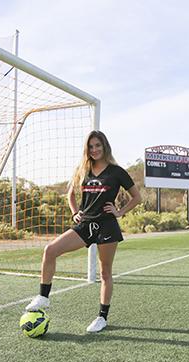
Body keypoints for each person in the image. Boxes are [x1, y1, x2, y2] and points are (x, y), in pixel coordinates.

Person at [25, 130, 142, 333]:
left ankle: (102, 318)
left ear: (105, 146)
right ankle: (43, 297)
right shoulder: (83, 169)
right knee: (50, 250)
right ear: (87, 149)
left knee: (105, 273)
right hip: (84, 224)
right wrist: (74, 213)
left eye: (98, 145)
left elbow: (136, 197)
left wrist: (119, 212)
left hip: (107, 225)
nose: (94, 150)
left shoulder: (117, 171)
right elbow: (70, 193)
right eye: (91, 146)